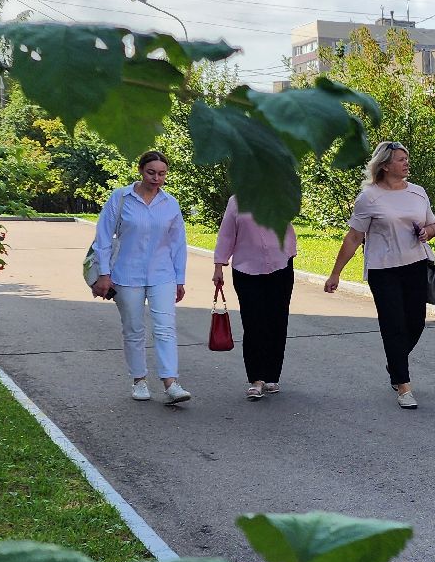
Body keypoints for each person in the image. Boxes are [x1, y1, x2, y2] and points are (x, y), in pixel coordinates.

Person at [326, 141, 435, 409]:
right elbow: (354, 237)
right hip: (383, 269)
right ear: (385, 165)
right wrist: (335, 273)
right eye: (401, 159)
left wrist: (427, 232)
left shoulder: (418, 192)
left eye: (406, 158)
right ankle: (403, 385)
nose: (406, 163)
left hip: (415, 265)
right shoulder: (369, 197)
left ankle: (394, 361)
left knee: (416, 323)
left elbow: (433, 224)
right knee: (393, 325)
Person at [89, 150, 192, 406]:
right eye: (151, 172)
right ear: (140, 170)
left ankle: (171, 383)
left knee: (165, 328)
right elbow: (103, 238)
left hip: (163, 275)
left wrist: (180, 279)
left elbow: (178, 243)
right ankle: (139, 380)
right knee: (134, 329)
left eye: (162, 174)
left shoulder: (170, 203)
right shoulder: (121, 198)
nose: (157, 178)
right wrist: (104, 274)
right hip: (126, 275)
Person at [212, 194, 299, 401]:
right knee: (253, 323)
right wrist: (219, 266)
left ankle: (272, 376)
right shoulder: (237, 201)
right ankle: (256, 379)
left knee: (277, 321)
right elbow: (226, 234)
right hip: (246, 269)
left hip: (280, 266)